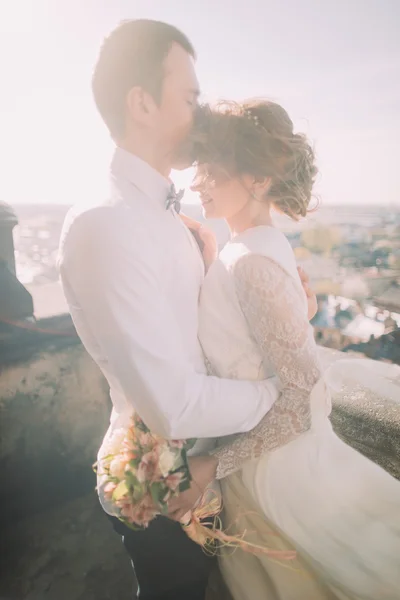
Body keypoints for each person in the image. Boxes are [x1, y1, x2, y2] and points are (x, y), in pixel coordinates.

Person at [58, 21, 316, 600]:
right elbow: (174, 406)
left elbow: (213, 329)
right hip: (157, 487)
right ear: (141, 103)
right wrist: (288, 391)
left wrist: (287, 313)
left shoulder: (174, 219)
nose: (201, 116)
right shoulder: (105, 224)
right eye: (190, 98)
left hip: (212, 473)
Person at [172, 99, 400, 600]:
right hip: (261, 456)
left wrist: (209, 467)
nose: (195, 183)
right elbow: (261, 338)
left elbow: (299, 398)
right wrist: (302, 312)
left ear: (258, 179)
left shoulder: (252, 261)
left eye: (212, 170)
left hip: (273, 475)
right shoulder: (254, 247)